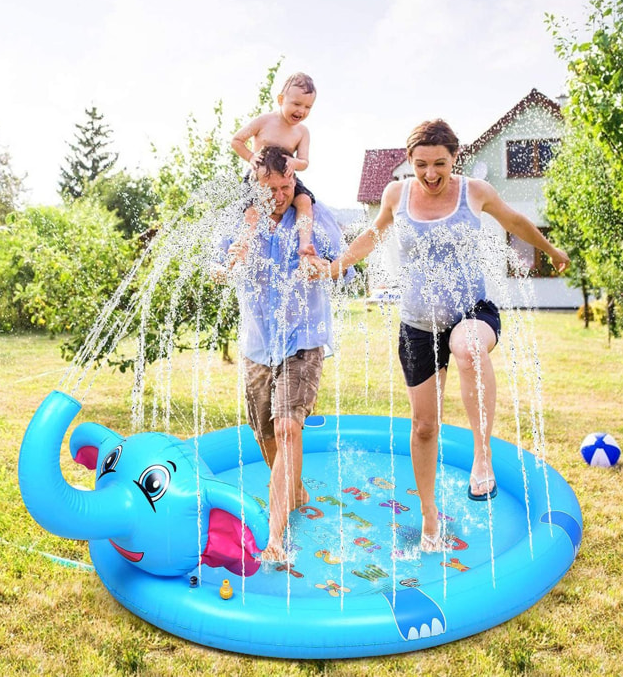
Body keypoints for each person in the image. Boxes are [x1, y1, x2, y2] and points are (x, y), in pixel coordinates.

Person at [311, 119, 570, 552]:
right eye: (421, 164)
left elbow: (516, 220)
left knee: (467, 346)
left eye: (440, 164)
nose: (431, 174)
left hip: (471, 310)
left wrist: (551, 250)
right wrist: (332, 268)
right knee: (425, 427)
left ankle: (481, 453)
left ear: (455, 158)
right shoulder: (396, 195)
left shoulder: (475, 192)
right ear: (410, 163)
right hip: (416, 324)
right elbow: (369, 240)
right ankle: (430, 518)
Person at [215, 145, 353, 562]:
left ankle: (275, 537)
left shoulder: (312, 216)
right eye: (271, 187)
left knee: (288, 428)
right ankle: (293, 489)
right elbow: (216, 267)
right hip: (258, 344)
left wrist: (326, 265)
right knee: (266, 433)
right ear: (254, 185)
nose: (280, 194)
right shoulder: (241, 223)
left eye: (286, 184)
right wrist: (225, 269)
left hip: (303, 339)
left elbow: (344, 262)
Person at [231, 72, 317, 256]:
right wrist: (250, 157)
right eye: (296, 104)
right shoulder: (265, 121)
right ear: (280, 99)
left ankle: (304, 245)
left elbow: (304, 162)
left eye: (308, 106)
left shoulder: (302, 131)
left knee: (304, 200)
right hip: (258, 178)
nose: (301, 111)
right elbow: (237, 141)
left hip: (285, 177)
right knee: (252, 209)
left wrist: (295, 162)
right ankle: (243, 247)